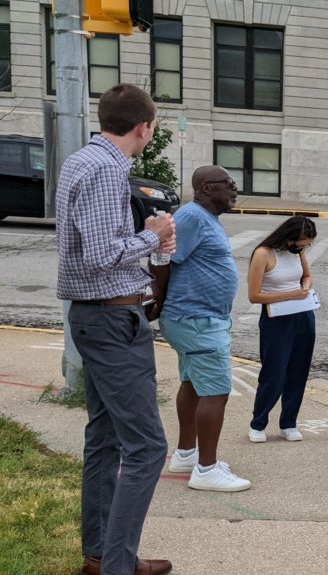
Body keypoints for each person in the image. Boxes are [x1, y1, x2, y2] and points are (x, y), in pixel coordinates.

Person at [57, 83, 175, 575]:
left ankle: (101, 553)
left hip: (94, 315)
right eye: (151, 128)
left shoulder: (79, 161)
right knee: (148, 446)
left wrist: (151, 243)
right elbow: (103, 255)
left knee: (104, 436)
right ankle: (117, 564)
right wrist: (152, 235)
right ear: (143, 127)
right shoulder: (108, 170)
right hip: (111, 318)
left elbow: (96, 247)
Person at [152, 165, 250, 492]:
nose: (234, 189)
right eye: (229, 184)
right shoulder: (192, 217)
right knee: (216, 391)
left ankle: (185, 454)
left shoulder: (204, 218)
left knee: (193, 384)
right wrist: (158, 300)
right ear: (207, 188)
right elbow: (162, 257)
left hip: (197, 318)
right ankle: (206, 470)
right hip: (196, 319)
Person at [246, 216, 318, 443]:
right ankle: (258, 423)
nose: (302, 248)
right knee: (274, 373)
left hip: (302, 314)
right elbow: (254, 295)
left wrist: (305, 288)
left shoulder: (297, 252)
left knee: (299, 371)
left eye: (306, 245)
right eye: (300, 243)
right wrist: (291, 294)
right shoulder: (263, 254)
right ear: (288, 237)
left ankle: (289, 422)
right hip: (275, 318)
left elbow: (306, 276)